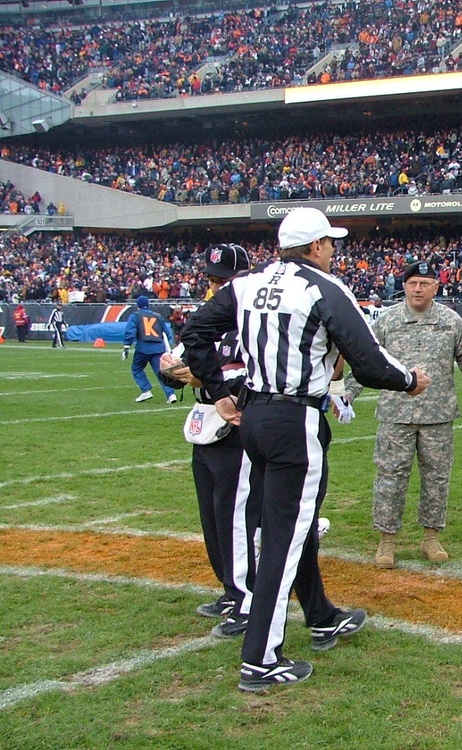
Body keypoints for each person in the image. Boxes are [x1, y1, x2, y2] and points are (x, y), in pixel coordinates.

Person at [182, 206, 430, 692]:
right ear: (316, 246)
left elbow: (195, 334)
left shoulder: (246, 284)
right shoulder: (323, 288)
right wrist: (409, 380)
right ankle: (260, 658)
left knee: (293, 523)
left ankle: (320, 615)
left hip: (255, 415)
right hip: (294, 419)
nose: (334, 251)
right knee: (285, 536)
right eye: (330, 243)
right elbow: (369, 363)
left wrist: (218, 391)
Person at [345, 260, 462, 569]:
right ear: (404, 286)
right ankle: (387, 541)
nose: (417, 288)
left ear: (436, 288)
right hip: (395, 414)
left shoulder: (452, 323)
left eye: (425, 283)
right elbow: (366, 361)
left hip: (437, 415)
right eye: (413, 283)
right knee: (390, 477)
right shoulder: (387, 322)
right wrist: (347, 395)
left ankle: (430, 537)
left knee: (436, 479)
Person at [159, 244, 252, 620]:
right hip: (206, 424)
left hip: (238, 426)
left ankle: (245, 594)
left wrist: (206, 378)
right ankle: (230, 588)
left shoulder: (255, 316)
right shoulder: (207, 317)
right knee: (212, 514)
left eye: (223, 279)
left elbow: (257, 374)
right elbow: (184, 357)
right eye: (213, 279)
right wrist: (173, 368)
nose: (216, 287)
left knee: (235, 515)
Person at [123, 296, 177, 403]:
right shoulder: (158, 316)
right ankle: (171, 394)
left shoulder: (135, 315)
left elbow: (131, 330)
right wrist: (169, 345)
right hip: (158, 348)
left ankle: (146, 390)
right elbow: (167, 332)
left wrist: (127, 345)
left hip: (143, 346)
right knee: (161, 372)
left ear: (138, 305)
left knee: (136, 368)